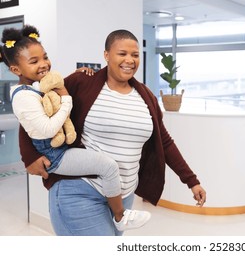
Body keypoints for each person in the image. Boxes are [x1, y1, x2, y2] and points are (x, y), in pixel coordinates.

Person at [14, 27, 207, 236]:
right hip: (81, 191)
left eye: (134, 55)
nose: (130, 60)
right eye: (122, 54)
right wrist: (29, 155)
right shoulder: (82, 82)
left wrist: (191, 181)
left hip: (123, 196)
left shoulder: (146, 97)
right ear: (106, 55)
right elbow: (37, 111)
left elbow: (164, 141)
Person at [0, 25, 151, 232]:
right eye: (34, 61)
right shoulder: (26, 95)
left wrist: (78, 74)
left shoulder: (41, 86)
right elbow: (36, 126)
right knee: (108, 166)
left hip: (117, 185)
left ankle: (119, 212)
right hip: (58, 157)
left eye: (45, 57)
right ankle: (120, 215)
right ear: (107, 55)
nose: (44, 64)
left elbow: (59, 92)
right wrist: (66, 101)